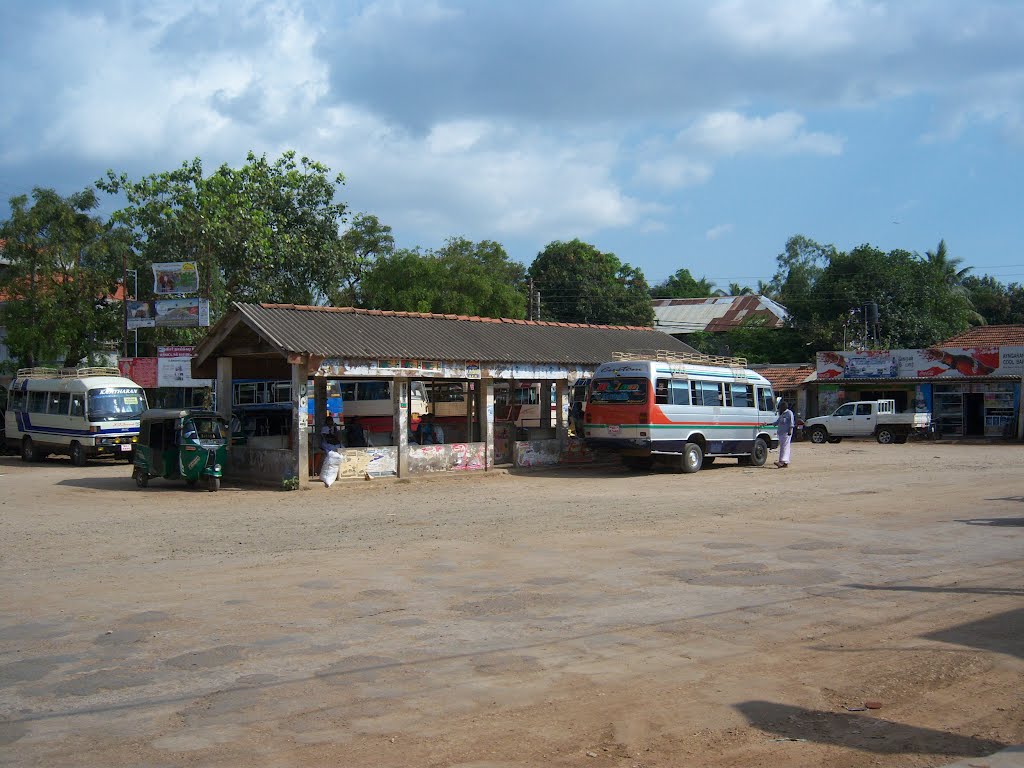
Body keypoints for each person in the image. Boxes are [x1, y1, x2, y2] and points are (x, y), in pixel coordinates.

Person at [773, 399, 795, 468]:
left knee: (784, 447)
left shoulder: (789, 413)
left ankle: (781, 462)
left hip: (786, 433)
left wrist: (790, 431)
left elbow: (791, 423)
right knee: (784, 447)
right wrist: (767, 424)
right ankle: (785, 462)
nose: (780, 408)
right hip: (781, 433)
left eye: (781, 407)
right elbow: (777, 422)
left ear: (785, 407)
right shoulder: (782, 414)